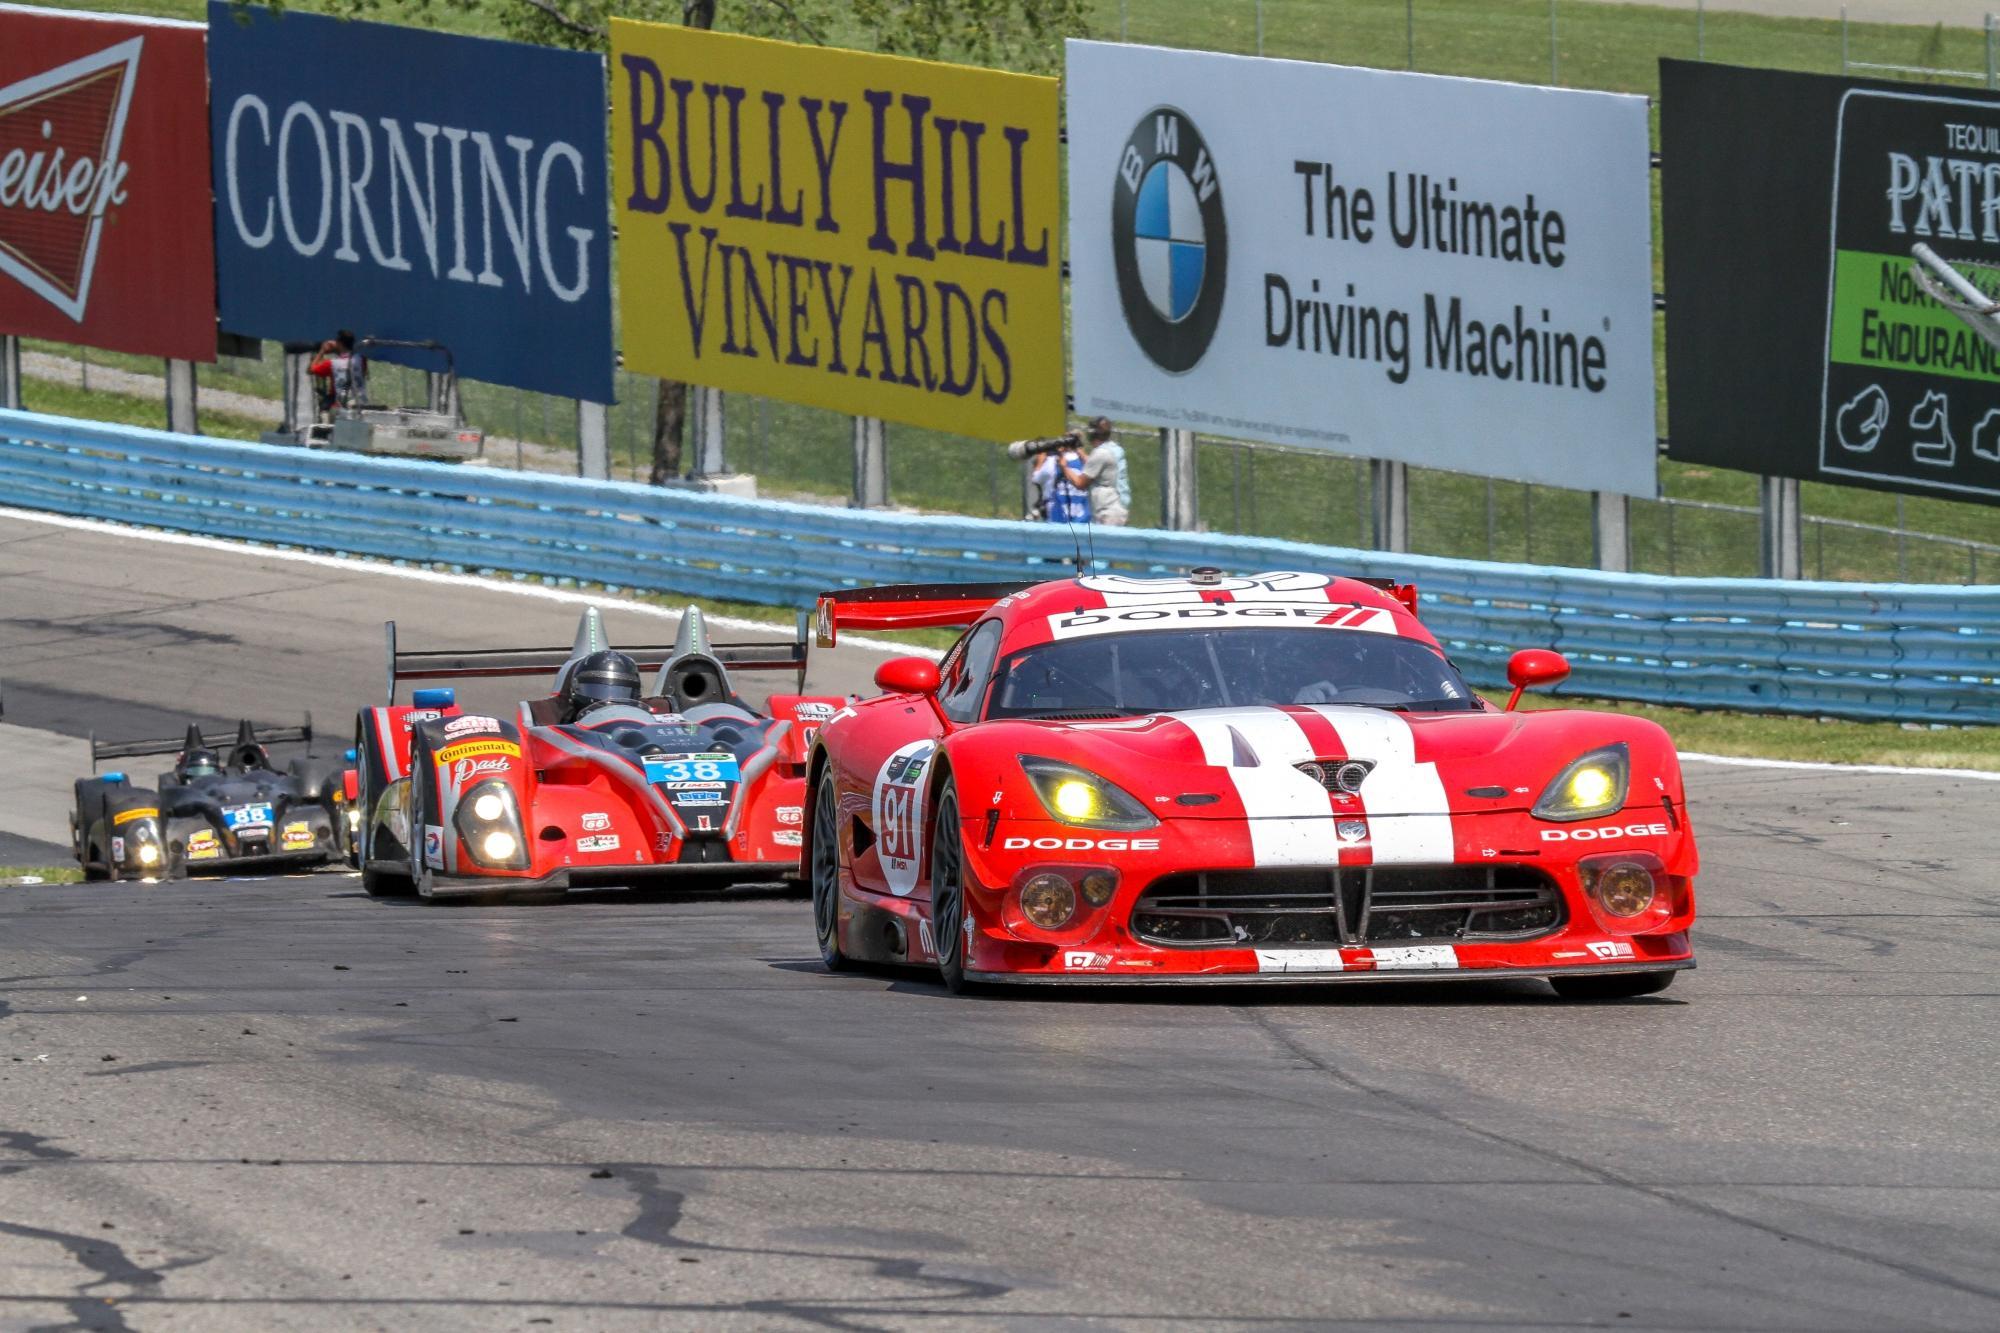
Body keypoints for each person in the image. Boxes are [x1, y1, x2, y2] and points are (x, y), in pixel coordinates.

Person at [1056, 417, 1129, 527]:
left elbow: (1080, 483)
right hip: (1115, 508)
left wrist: (1064, 467)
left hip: (1107, 512)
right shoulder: (1114, 449)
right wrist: (1078, 449)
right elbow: (1093, 465)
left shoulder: (1100, 453)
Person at [560, 649, 643, 722]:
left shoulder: (642, 725)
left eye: (620, 691)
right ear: (575, 688)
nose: (608, 703)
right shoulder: (562, 727)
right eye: (597, 690)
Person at [308, 331, 367, 421]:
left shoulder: (332, 364)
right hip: (361, 402)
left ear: (339, 344)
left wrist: (322, 351)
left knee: (323, 408)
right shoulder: (361, 359)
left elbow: (311, 370)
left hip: (340, 405)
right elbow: (363, 373)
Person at [1033, 446, 1091, 526]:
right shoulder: (1086, 461)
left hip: (1057, 517)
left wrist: (1040, 461)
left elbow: (1036, 478)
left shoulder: (1052, 461)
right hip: (1083, 519)